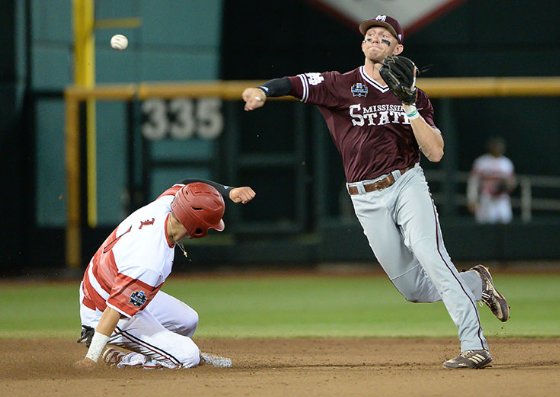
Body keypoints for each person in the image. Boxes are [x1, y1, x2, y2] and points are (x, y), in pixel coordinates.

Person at [242, 14, 510, 369]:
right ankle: (476, 282)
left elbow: (435, 152)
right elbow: (292, 83)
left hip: (406, 184)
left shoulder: (416, 97)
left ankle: (475, 346)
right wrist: (262, 91)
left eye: (385, 37)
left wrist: (410, 104)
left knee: (433, 257)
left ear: (398, 48)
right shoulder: (340, 84)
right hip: (364, 198)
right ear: (362, 44)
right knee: (414, 290)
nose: (376, 39)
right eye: (371, 35)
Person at [74, 179, 256, 369]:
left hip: (108, 284)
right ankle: (125, 360)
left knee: (187, 320)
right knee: (188, 356)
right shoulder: (149, 259)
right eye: (209, 225)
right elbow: (114, 310)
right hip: (102, 309)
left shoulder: (168, 205)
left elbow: (186, 183)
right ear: (197, 227)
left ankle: (164, 353)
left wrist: (229, 191)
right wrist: (91, 359)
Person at [467, 137, 516, 224]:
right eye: (495, 146)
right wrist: (472, 200)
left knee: (505, 226)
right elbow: (473, 182)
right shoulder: (481, 162)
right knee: (486, 226)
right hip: (486, 198)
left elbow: (512, 182)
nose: (498, 148)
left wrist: (506, 185)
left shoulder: (506, 163)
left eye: (499, 146)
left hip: (502, 199)